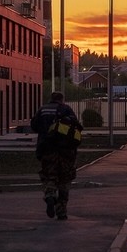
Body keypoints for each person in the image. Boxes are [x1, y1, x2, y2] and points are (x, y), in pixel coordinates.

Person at [31, 91, 83, 220]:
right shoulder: (66, 109)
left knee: (49, 175)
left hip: (47, 149)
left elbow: (34, 126)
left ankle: (50, 195)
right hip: (66, 152)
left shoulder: (42, 109)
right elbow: (77, 127)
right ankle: (61, 211)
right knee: (65, 180)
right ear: (62, 99)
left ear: (51, 99)